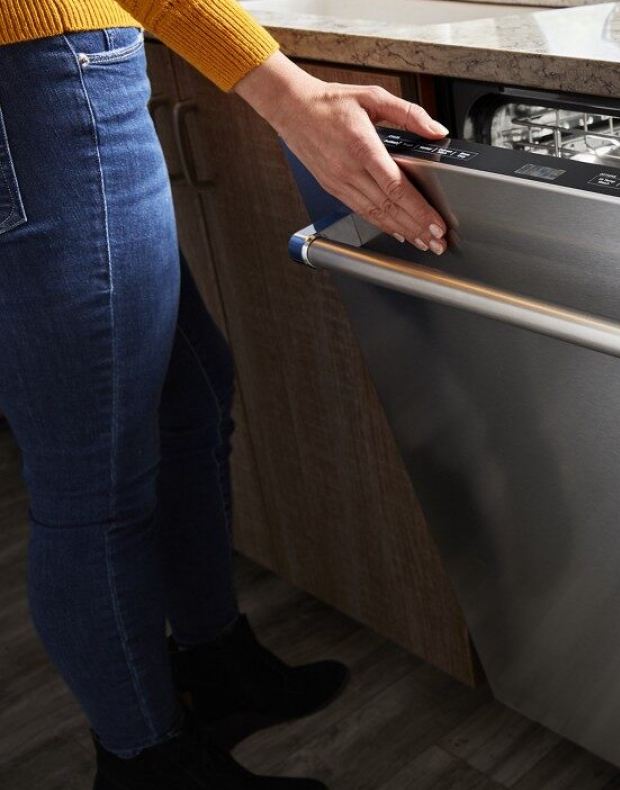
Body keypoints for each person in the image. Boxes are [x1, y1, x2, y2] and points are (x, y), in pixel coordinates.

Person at [0, 2, 452, 788]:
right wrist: (287, 93)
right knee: (92, 485)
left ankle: (216, 662)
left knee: (191, 399)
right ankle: (149, 763)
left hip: (60, 68)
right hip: (32, 80)